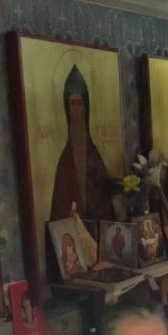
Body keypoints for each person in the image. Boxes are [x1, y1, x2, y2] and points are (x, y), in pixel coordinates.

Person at [49, 64, 114, 224]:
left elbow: (104, 199)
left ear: (86, 106)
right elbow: (59, 207)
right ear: (67, 107)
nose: (76, 108)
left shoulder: (94, 154)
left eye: (80, 103)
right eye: (72, 103)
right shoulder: (65, 161)